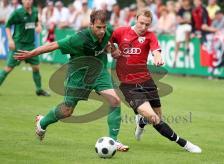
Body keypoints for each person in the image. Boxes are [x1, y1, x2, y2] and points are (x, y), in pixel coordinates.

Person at [14, 9, 129, 152]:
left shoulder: (108, 31)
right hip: (78, 76)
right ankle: (42, 122)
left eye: (104, 27)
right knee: (67, 111)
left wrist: (112, 49)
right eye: (98, 27)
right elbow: (53, 45)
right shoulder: (78, 39)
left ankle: (113, 140)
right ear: (91, 25)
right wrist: (31, 53)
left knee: (115, 100)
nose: (101, 31)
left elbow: (109, 41)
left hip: (99, 72)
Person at [110, 8, 202, 153]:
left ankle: (141, 122)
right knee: (154, 118)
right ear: (136, 19)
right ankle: (184, 144)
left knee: (159, 116)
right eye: (141, 23)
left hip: (147, 81)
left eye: (147, 24)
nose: (144, 27)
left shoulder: (150, 35)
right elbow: (105, 42)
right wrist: (111, 49)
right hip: (127, 85)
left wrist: (158, 57)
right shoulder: (121, 32)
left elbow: (156, 50)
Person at [0, 0, 49, 96]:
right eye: (26, 0)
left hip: (30, 45)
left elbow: (36, 21)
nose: (28, 2)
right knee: (8, 68)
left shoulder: (35, 11)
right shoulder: (18, 13)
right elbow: (7, 25)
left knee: (36, 67)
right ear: (22, 1)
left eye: (30, 0)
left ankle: (39, 90)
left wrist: (38, 25)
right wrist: (10, 40)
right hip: (19, 45)